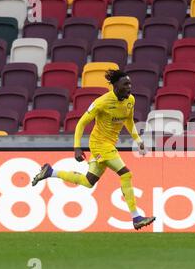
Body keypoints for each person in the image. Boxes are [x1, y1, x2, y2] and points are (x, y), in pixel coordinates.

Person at [32, 70, 156, 230]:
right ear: (115, 86)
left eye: (130, 84)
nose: (129, 87)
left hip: (109, 144)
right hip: (99, 144)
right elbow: (81, 124)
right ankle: (136, 217)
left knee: (88, 181)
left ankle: (50, 172)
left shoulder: (130, 100)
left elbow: (129, 121)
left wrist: (138, 140)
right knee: (126, 174)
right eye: (126, 84)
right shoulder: (101, 102)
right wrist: (77, 147)